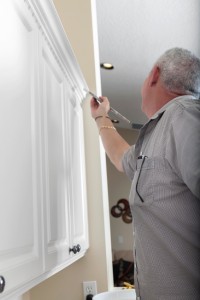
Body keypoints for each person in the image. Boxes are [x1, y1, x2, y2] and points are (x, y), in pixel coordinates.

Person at [90, 48, 200, 300]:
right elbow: (120, 157)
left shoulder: (184, 116)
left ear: (154, 75)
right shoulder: (155, 136)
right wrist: (100, 117)